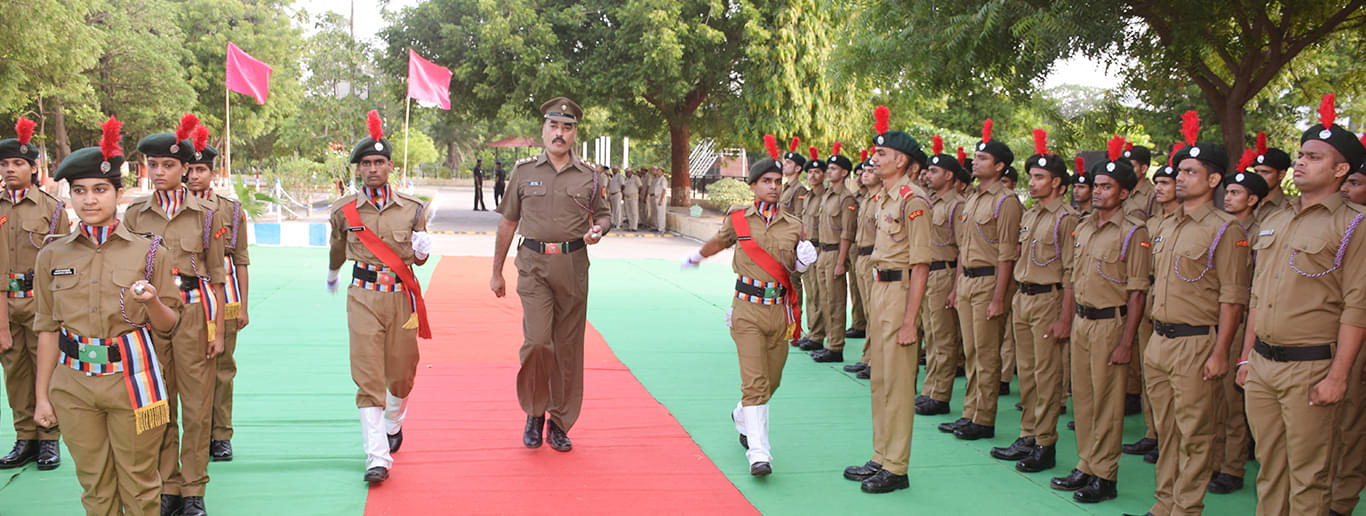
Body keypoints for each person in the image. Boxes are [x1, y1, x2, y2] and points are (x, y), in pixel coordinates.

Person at [32, 116, 181, 516]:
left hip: (131, 382)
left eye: (100, 189)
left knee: (139, 485)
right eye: (79, 191)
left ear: (119, 193)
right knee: (95, 488)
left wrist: (150, 302)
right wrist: (42, 395)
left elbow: (169, 325)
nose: (89, 200)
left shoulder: (151, 252)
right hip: (74, 386)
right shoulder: (52, 255)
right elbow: (47, 328)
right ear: (70, 197)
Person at [1235, 94, 1366, 516]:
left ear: (1341, 169)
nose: (1302, 163)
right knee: (1270, 470)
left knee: (1309, 479)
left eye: (1314, 156)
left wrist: (1339, 376)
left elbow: (1357, 307)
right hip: (1263, 365)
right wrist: (1246, 356)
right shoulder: (1276, 220)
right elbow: (1259, 294)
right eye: (1301, 155)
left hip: (1312, 366)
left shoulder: (1353, 226)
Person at [681, 136, 815, 476]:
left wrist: (803, 263)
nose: (773, 186)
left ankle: (742, 414)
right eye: (766, 181)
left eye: (777, 181)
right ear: (753, 185)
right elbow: (719, 241)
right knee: (755, 383)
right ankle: (759, 453)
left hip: (780, 312)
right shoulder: (739, 219)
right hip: (747, 309)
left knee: (773, 381)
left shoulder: (794, 226)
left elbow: (794, 271)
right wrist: (697, 256)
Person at [491, 97, 609, 454]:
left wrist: (599, 230)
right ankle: (534, 411)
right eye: (553, 126)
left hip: (573, 265)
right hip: (533, 265)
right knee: (539, 342)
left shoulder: (591, 175)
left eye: (567, 127)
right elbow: (508, 222)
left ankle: (559, 421)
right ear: (543, 130)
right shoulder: (524, 172)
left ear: (575, 133)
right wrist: (495, 271)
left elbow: (604, 215)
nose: (560, 133)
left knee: (569, 348)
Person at [1144, 118, 1250, 516]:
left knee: (1195, 433)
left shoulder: (1226, 230)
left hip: (1196, 342)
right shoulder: (1167, 225)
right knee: (1166, 430)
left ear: (1213, 180)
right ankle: (1164, 504)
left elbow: (1233, 297)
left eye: (1191, 172)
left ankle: (1186, 509)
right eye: (1180, 171)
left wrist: (1221, 351)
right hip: (1160, 340)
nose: (1182, 178)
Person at [126, 114, 227, 516]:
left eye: (168, 165)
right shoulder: (135, 215)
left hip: (194, 314)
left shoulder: (205, 213)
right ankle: (167, 486)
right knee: (160, 405)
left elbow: (217, 278)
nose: (160, 172)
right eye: (153, 165)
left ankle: (194, 490)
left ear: (186, 168)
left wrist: (217, 330)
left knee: (198, 408)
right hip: (151, 318)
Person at [326, 110, 433, 484]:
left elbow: (419, 256)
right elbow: (337, 247)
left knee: (402, 374)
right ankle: (377, 457)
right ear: (358, 169)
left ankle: (394, 419)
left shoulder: (413, 209)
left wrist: (422, 251)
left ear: (390, 166)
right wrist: (332, 273)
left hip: (401, 297)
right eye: (366, 163)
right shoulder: (343, 211)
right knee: (368, 375)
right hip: (363, 296)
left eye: (379, 162)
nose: (372, 168)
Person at [1049, 137, 1151, 504]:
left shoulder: (1133, 232)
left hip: (1111, 323)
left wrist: (1126, 342)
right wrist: (1066, 319)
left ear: (1124, 193)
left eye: (1107, 187)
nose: (1097, 192)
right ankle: (1086, 463)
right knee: (1085, 399)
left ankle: (1105, 474)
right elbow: (1073, 279)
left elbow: (1137, 292)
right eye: (1096, 186)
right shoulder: (1084, 227)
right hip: (1082, 322)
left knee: (1108, 402)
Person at [841, 107, 933, 494]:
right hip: (880, 289)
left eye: (882, 154)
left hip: (900, 294)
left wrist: (911, 321)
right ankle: (881, 455)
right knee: (880, 380)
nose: (874, 159)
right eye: (874, 153)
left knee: (897, 384)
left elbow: (922, 266)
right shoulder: (882, 199)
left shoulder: (914, 201)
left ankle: (897, 466)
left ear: (902, 161)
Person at [993, 130, 1078, 474]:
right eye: (1031, 176)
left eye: (1040, 177)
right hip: (1023, 298)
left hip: (1049, 300)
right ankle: (1028, 434)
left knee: (1046, 376)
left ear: (1058, 183)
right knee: (1025, 374)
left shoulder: (1066, 218)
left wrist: (1065, 319)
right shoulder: (1030, 215)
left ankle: (1045, 442)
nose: (1033, 182)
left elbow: (1071, 273)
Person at [941, 119, 1022, 441]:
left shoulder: (1007, 202)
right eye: (976, 157)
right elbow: (963, 247)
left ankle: (983, 418)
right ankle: (969, 412)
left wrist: (999, 297)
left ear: (1000, 166)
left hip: (990, 282)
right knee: (972, 351)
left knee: (987, 354)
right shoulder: (973, 199)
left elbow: (1006, 254)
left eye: (984, 158)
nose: (976, 161)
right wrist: (958, 284)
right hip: (969, 281)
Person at [0, 117, 67, 471]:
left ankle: (48, 438)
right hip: (4, 304)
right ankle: (24, 438)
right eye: (5, 164)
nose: (10, 169)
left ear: (33, 167)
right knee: (15, 372)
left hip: (41, 302)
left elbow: (65, 263)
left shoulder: (52, 209)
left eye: (18, 163)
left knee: (46, 369)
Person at [183, 129, 250, 463]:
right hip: (183, 297)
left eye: (201, 170)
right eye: (190, 170)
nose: (194, 176)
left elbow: (240, 261)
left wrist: (244, 307)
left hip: (223, 299)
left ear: (213, 171)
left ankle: (220, 434)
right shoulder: (173, 210)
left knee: (222, 369)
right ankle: (190, 434)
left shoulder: (230, 210)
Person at [1208, 153, 1269, 495]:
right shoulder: (1218, 226)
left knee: (1233, 399)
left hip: (1244, 318)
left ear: (1254, 199)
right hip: (1215, 316)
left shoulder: (1261, 232)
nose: (1228, 197)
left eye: (1236, 193)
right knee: (1213, 398)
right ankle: (1215, 460)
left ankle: (1231, 467)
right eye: (1227, 192)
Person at [915, 139, 968, 415]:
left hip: (946, 273)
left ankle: (941, 395)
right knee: (932, 336)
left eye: (934, 171)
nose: (928, 175)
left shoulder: (957, 206)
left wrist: (956, 287)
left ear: (949, 175)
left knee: (944, 338)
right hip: (929, 274)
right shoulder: (931, 202)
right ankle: (929, 389)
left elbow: (962, 250)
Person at [811, 145, 857, 363]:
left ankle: (836, 346)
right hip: (823, 251)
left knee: (836, 301)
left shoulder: (846, 199)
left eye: (834, 169)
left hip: (835, 253)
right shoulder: (827, 195)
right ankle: (829, 342)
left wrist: (841, 261)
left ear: (844, 173)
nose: (829, 172)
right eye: (828, 168)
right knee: (824, 299)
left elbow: (847, 233)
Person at [844, 155, 880, 377]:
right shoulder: (867, 199)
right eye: (863, 170)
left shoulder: (882, 200)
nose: (864, 173)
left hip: (875, 258)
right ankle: (868, 357)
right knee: (868, 311)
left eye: (870, 170)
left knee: (876, 312)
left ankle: (876, 360)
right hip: (862, 256)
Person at [779, 140, 811, 348]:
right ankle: (785, 324)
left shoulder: (799, 190)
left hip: (791, 244)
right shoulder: (784, 188)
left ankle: (795, 327)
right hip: (780, 242)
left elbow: (799, 219)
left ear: (798, 168)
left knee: (794, 286)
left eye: (789, 162)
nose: (785, 164)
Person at [796, 154, 827, 352]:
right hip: (807, 248)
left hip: (819, 247)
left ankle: (817, 335)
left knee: (818, 294)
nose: (813, 176)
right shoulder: (808, 197)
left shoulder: (826, 197)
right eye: (810, 172)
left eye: (817, 172)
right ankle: (811, 332)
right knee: (810, 294)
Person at [1250, 132, 1293, 225]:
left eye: (1265, 172)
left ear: (1281, 175)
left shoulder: (1291, 206)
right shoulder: (1248, 202)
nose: (1258, 176)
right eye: (1256, 172)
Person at [651, 166, 667, 232]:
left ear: (663, 173)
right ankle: (659, 227)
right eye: (657, 171)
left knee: (661, 214)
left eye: (660, 172)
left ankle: (662, 228)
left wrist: (661, 200)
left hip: (661, 198)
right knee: (658, 214)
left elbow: (664, 190)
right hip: (657, 197)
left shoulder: (663, 179)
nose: (658, 173)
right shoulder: (659, 179)